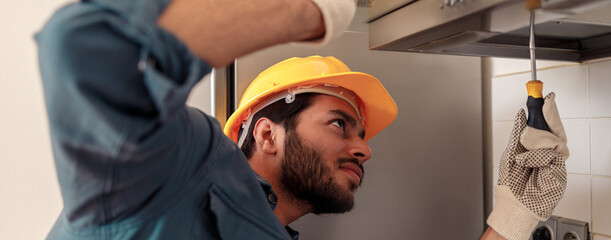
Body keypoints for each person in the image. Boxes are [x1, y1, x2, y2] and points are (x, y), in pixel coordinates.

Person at [36, 0, 568, 239]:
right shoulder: (171, 175)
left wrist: (515, 219)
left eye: (361, 133)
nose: (366, 148)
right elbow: (88, 47)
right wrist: (313, 9)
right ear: (266, 132)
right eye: (341, 123)